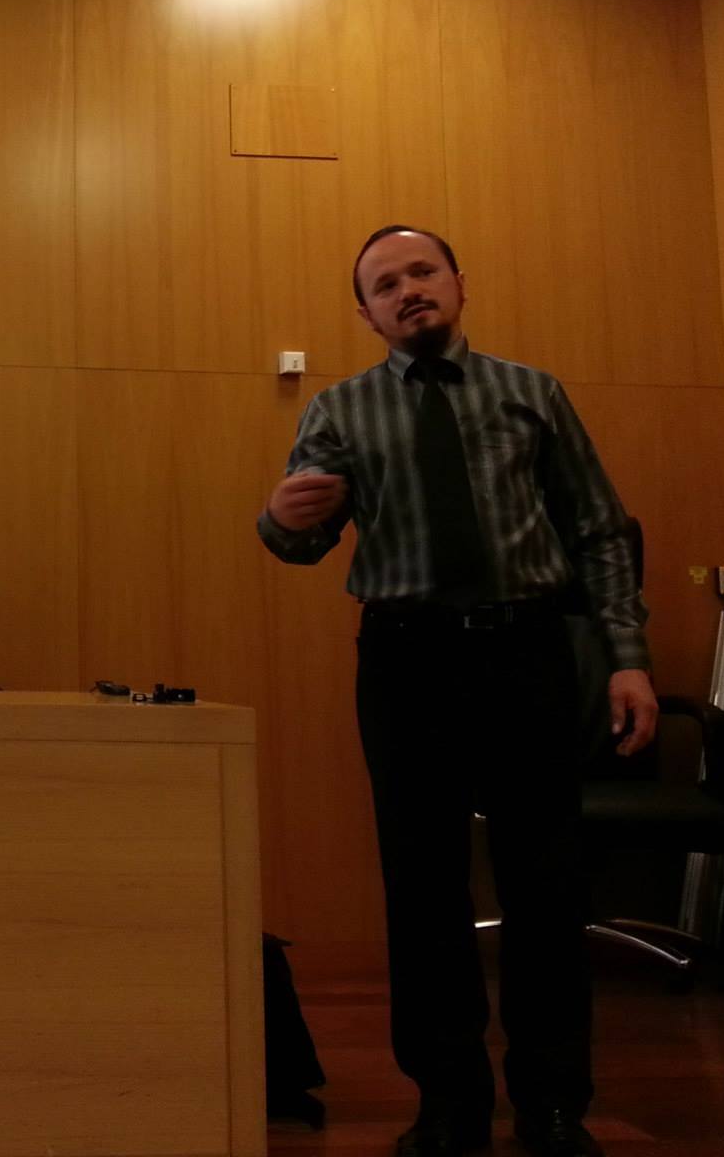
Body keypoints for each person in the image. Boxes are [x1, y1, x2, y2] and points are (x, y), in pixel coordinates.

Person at [258, 226, 657, 1157]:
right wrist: (277, 519)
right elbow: (301, 541)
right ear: (367, 314)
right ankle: (448, 1104)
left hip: (527, 654)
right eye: (384, 284)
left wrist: (627, 656)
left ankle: (553, 1104)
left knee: (545, 885)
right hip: (409, 662)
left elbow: (599, 530)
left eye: (421, 272)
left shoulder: (533, 393)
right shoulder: (340, 408)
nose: (407, 290)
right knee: (423, 888)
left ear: (459, 284)